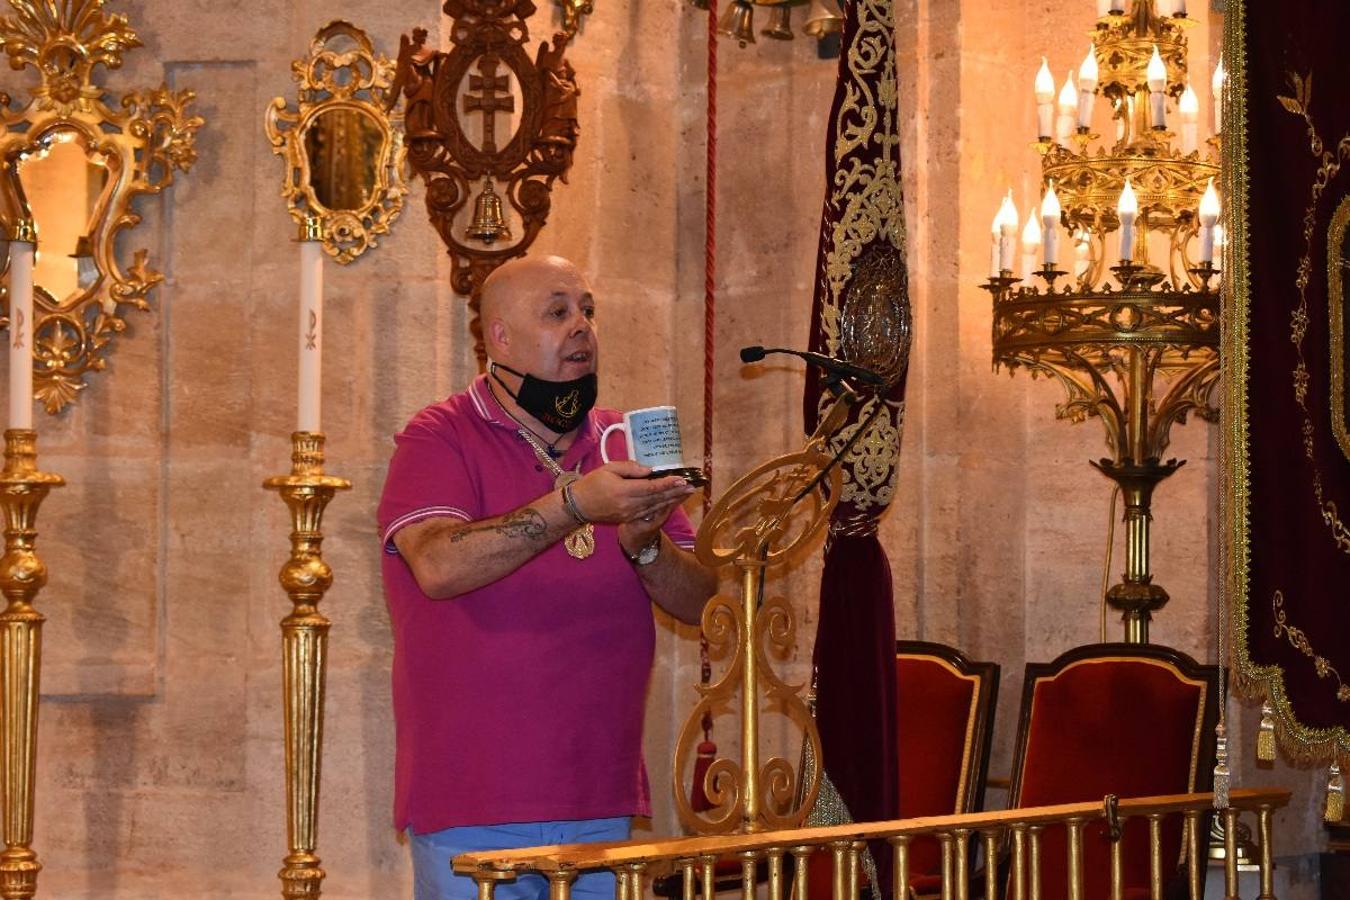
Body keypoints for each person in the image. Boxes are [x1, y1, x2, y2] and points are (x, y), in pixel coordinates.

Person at [378, 255, 717, 900]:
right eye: (558, 312)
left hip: (601, 796)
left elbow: (703, 602)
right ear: (500, 336)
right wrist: (576, 506)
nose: (582, 326)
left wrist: (647, 547)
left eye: (588, 310)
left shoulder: (622, 438)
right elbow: (439, 564)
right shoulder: (439, 436)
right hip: (473, 801)